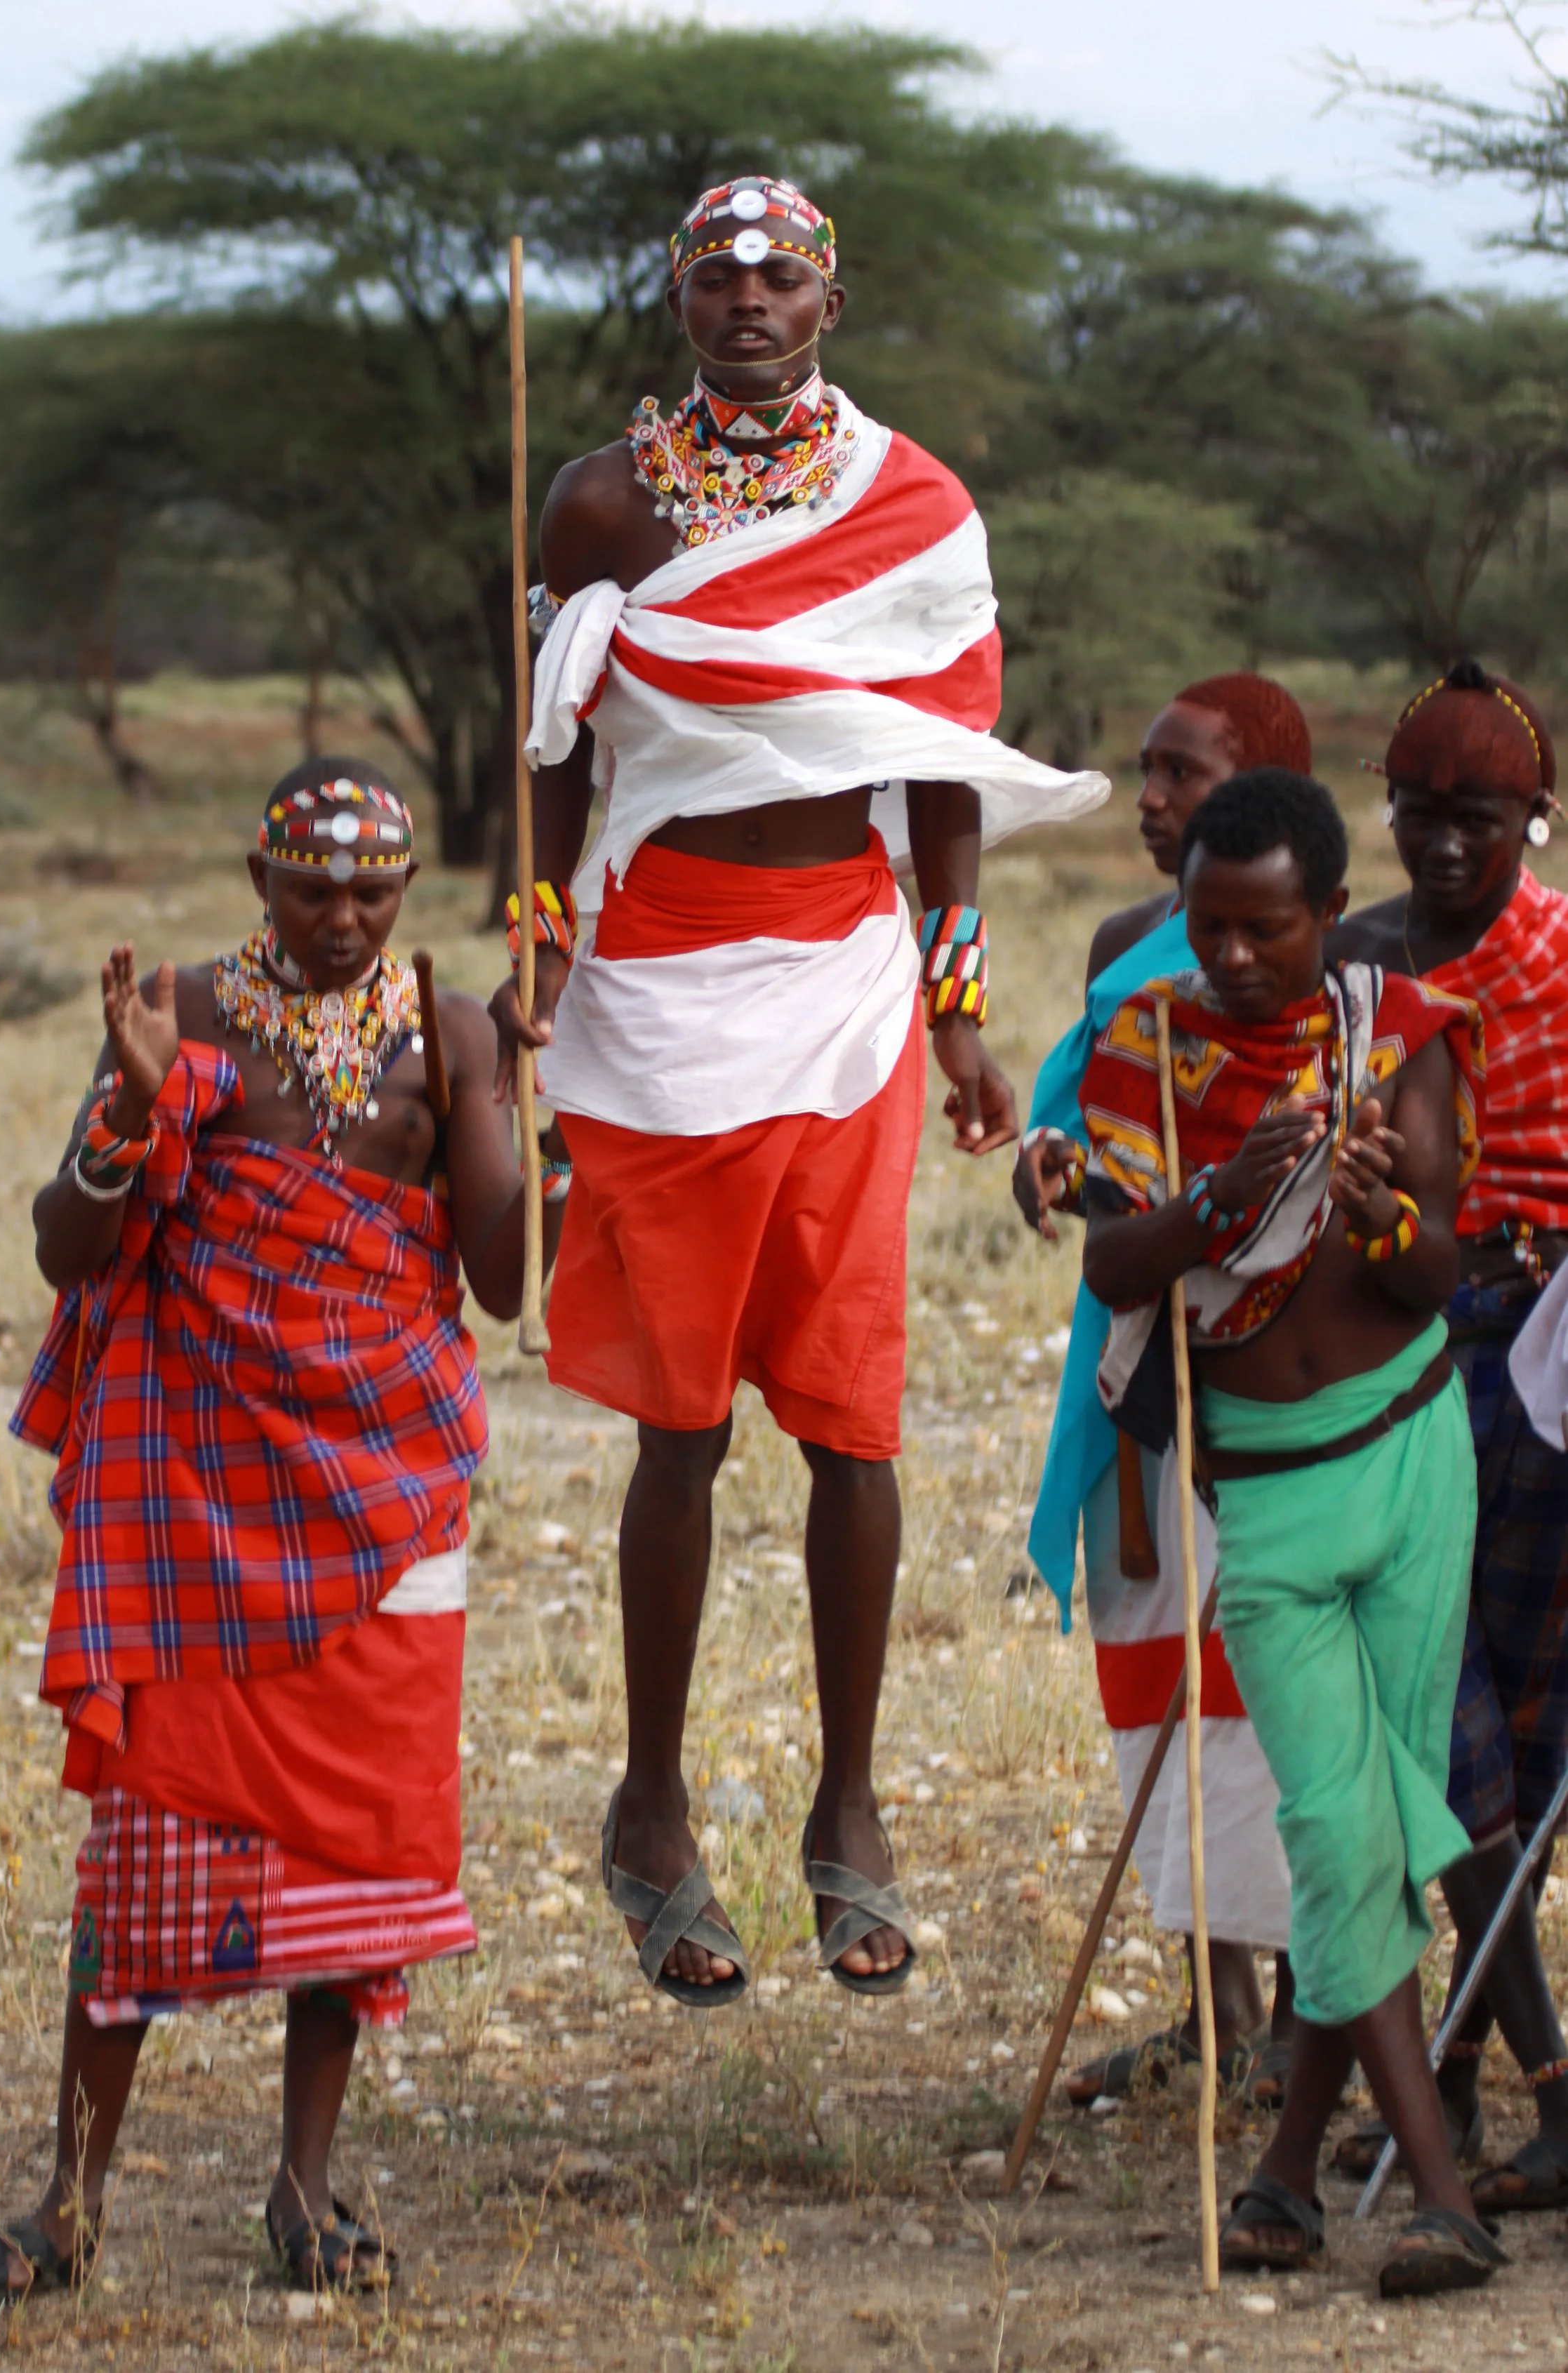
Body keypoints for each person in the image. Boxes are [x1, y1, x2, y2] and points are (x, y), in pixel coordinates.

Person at [491, 175, 1106, 2004]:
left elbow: (935, 764)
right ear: (677, 292)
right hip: (655, 979)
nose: (747, 294)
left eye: (781, 269)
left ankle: (851, 1808)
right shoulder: (597, 497)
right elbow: (551, 742)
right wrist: (534, 942)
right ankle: (652, 1807)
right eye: (715, 269)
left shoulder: (909, 502)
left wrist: (960, 1005)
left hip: (843, 984)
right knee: (681, 1427)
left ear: (833, 289)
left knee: (853, 1419)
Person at [0, 762, 564, 2307]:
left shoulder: (454, 1028)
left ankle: (305, 2188)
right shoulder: (188, 1013)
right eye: (310, 889)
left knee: (353, 1841)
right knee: (147, 1835)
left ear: (409, 885)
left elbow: (499, 1281)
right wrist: (131, 1115)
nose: (341, 921)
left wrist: (545, 1132)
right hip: (199, 1494)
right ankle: (68, 2202)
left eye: (372, 890)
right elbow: (64, 1245)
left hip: (389, 1479)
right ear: (258, 878)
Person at [1081, 770, 1505, 2297]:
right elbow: (1112, 1259)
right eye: (1209, 926)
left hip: (1407, 1459)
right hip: (1254, 1487)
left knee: (1369, 1831)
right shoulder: (1147, 1048)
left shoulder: (1396, 1037)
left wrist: (1386, 1213)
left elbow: (1429, 1273)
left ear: (1327, 917)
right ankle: (1441, 2197)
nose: (1234, 956)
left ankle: (1282, 2171)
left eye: (1266, 928)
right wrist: (1217, 1200)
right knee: (1336, 1824)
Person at [1014, 675, 1311, 2114]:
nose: (1146, 799)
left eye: (1178, 777)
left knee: (1274, 1685)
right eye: (1142, 774)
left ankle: (1311, 2015)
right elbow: (1072, 1133)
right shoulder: (1120, 947)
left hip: (1276, 1367)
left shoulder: (1329, 972)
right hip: (1135, 1349)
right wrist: (1044, 1159)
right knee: (1163, 1678)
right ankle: (1213, 2006)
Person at [1329, 661, 1568, 2212]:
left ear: (1530, 823)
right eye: (1417, 816)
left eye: (1473, 822)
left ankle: (1481, 2082)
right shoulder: (1353, 961)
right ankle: (1522, 2083)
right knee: (1437, 1724)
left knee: (1525, 1736)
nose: (1440, 849)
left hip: (1544, 1367)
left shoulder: (1561, 958)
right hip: (1392, 1360)